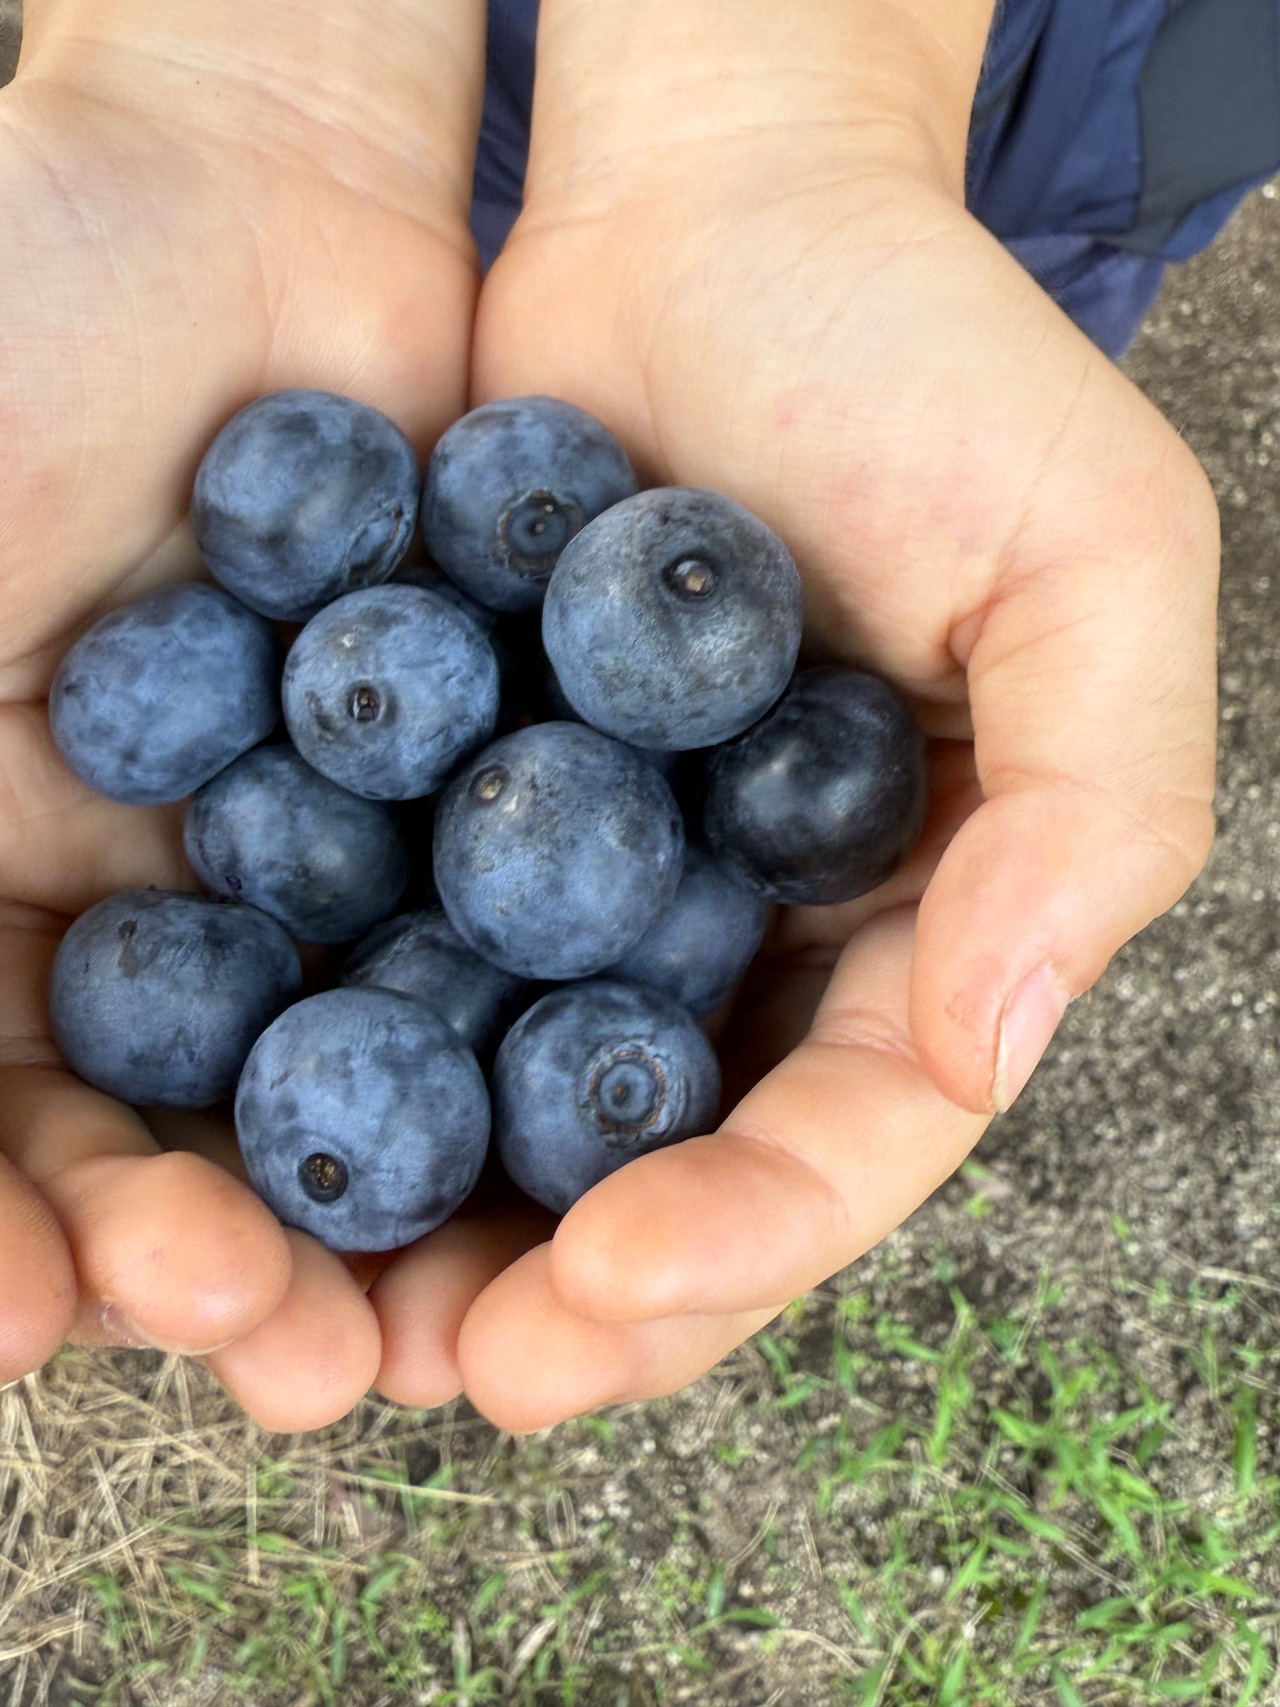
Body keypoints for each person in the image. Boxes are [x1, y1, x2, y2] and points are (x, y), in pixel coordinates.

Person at [0, 0, 1250, 1435]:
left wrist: (791, 131)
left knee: (1024, 270)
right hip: (467, 160)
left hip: (1017, 105)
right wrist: (213, 89)